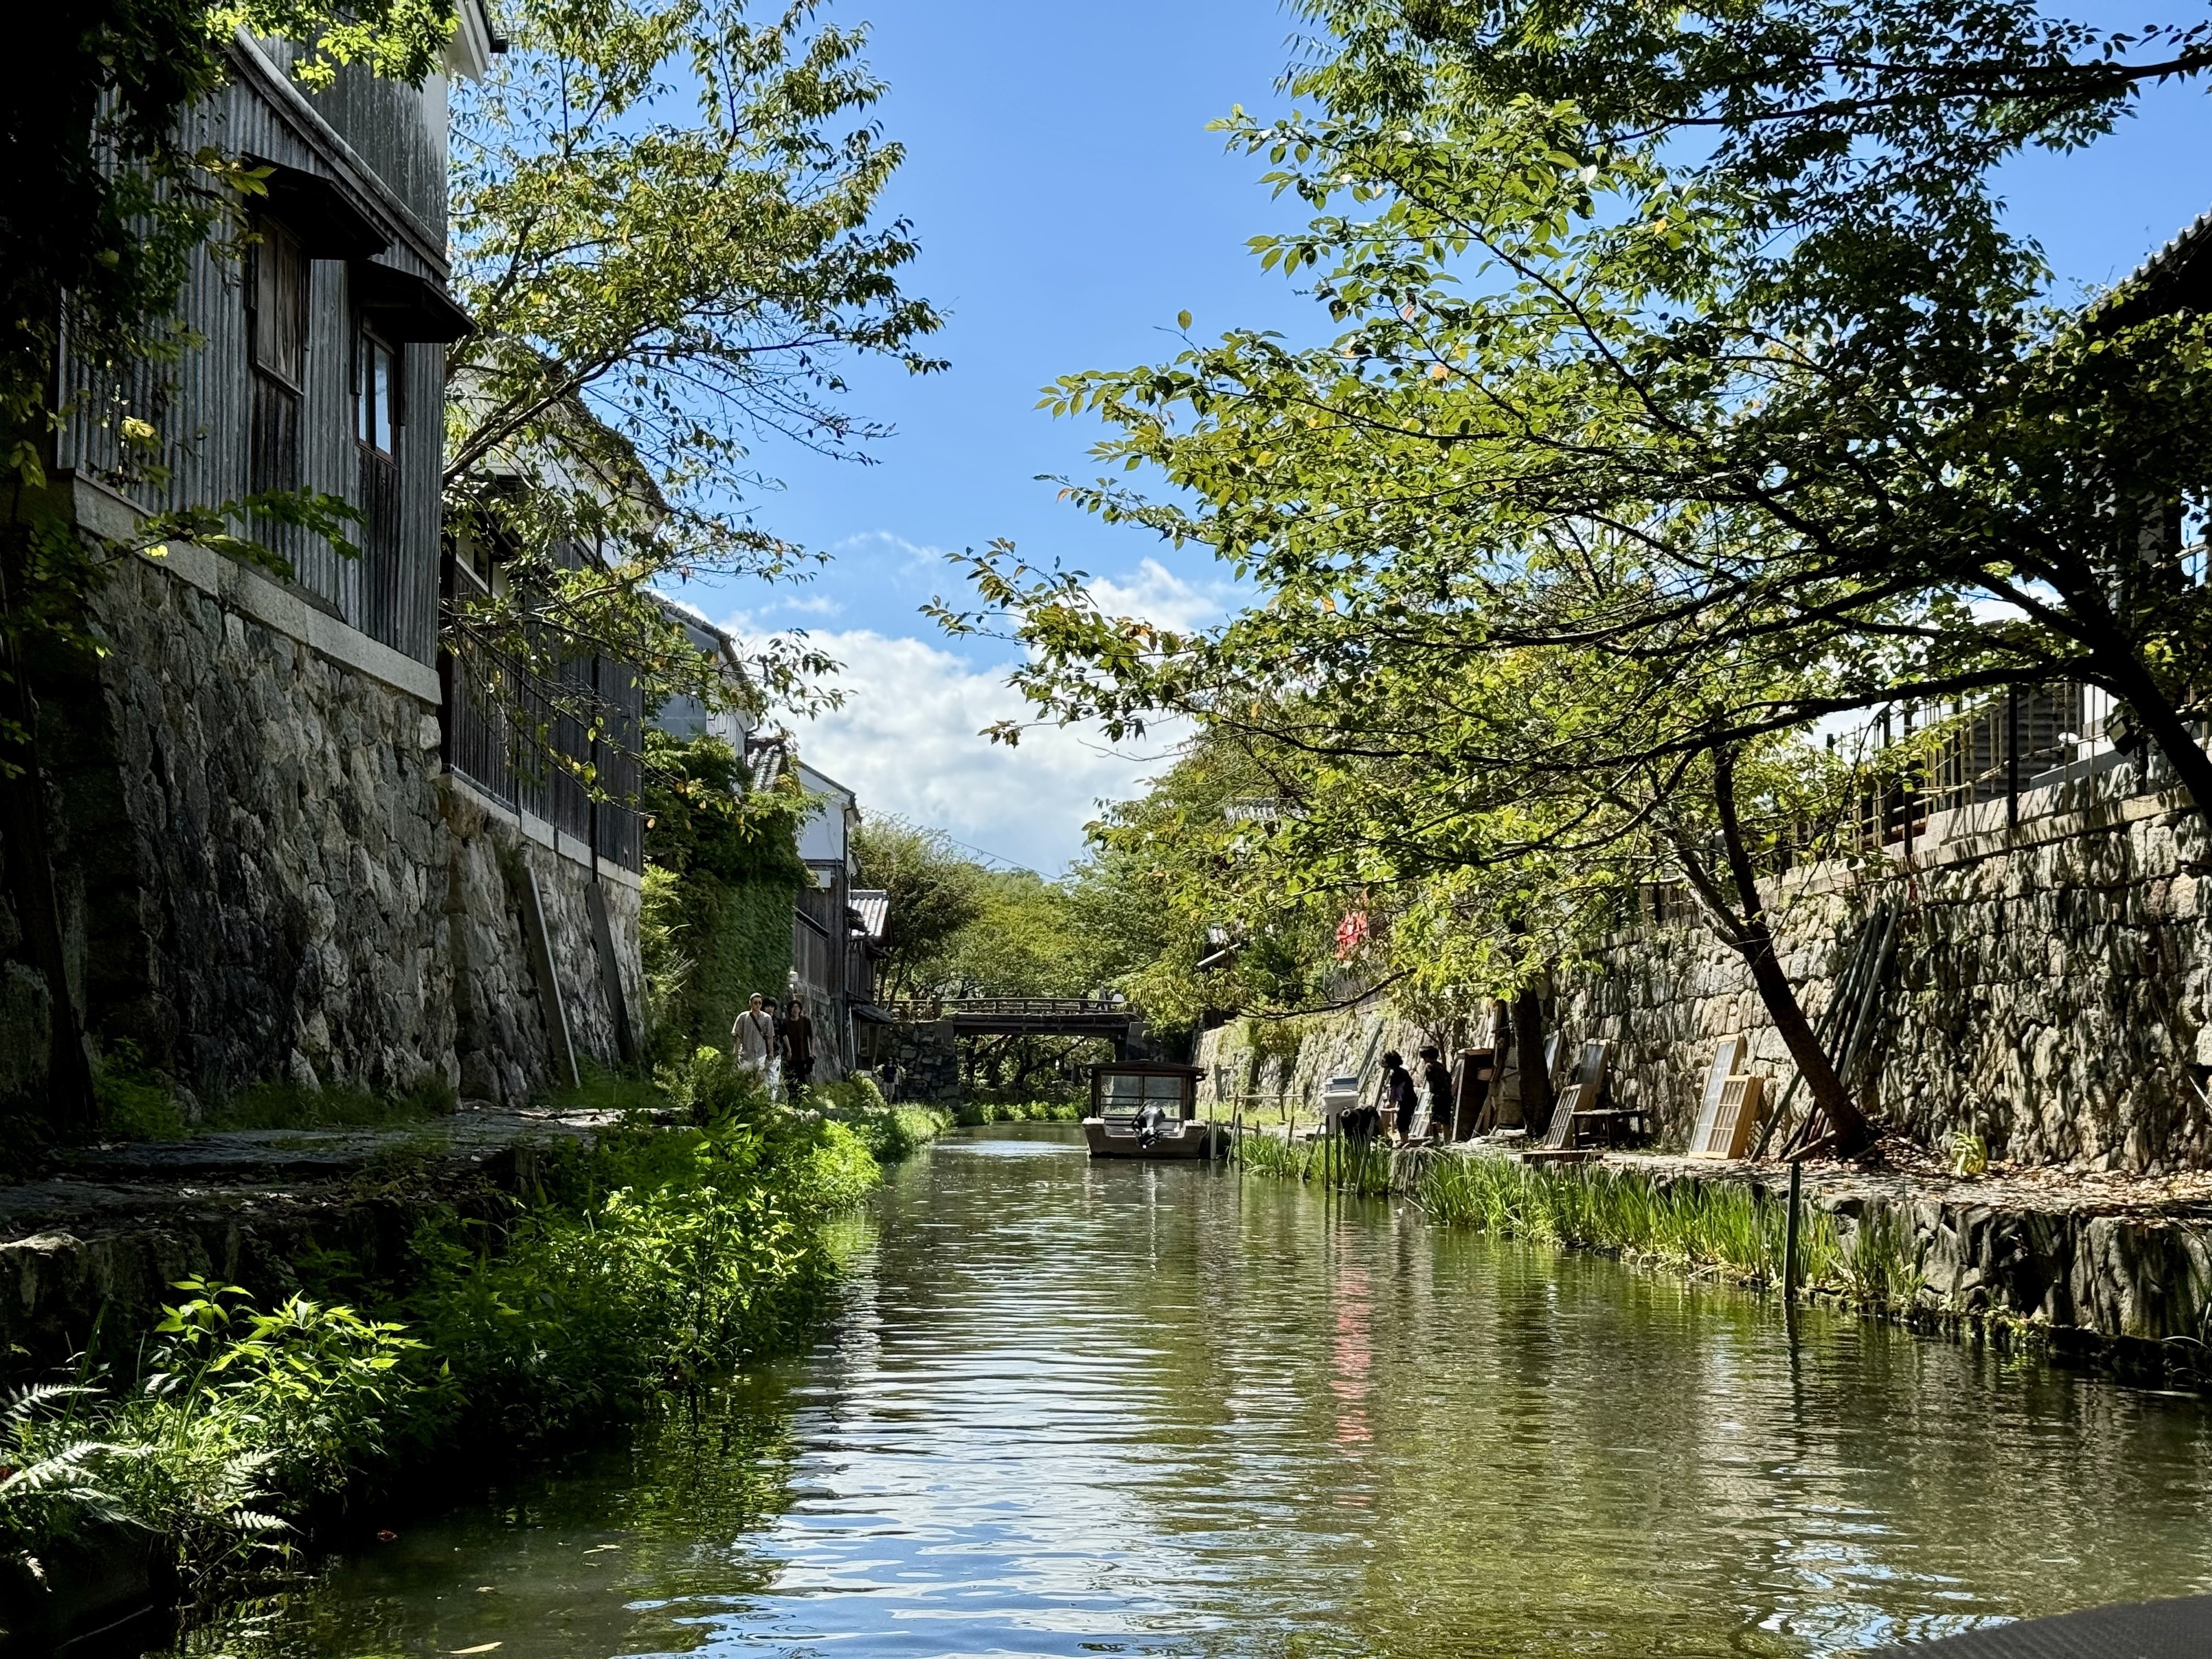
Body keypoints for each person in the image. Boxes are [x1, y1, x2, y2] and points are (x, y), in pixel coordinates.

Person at [732, 992, 781, 1099]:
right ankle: (744, 1097)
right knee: (745, 1077)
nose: (757, 1005)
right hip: (745, 1053)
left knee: (759, 1077)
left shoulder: (767, 1018)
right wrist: (736, 1052)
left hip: (760, 1053)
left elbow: (770, 1037)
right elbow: (738, 1035)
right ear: (750, 1003)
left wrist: (771, 1053)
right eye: (755, 1003)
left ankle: (754, 1097)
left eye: (760, 1003)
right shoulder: (743, 1017)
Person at [1380, 1051, 1419, 1145]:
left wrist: (1389, 1101)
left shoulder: (1395, 1074)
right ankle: (1405, 1140)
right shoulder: (1403, 1072)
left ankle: (1405, 1141)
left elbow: (1393, 1089)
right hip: (1411, 1099)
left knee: (1401, 1121)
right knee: (1404, 1120)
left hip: (1407, 1100)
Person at [1420, 1045, 1455, 1143]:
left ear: (1427, 1057)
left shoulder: (1429, 1066)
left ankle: (1436, 1140)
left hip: (1438, 1095)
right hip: (1447, 1096)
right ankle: (1447, 1140)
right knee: (1446, 1119)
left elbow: (1432, 1082)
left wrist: (1433, 1091)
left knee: (1435, 1118)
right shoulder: (1440, 1066)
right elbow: (1449, 1079)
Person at [782, 996, 816, 1096]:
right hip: (790, 1054)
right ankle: (791, 1095)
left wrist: (812, 1052)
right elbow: (784, 1036)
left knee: (802, 1076)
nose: (795, 1009)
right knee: (790, 1075)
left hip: (803, 1053)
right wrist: (789, 1050)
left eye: (797, 1007)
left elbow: (811, 1037)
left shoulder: (806, 1021)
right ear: (790, 1010)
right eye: (793, 1007)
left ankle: (800, 1096)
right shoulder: (785, 1022)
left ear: (800, 1009)